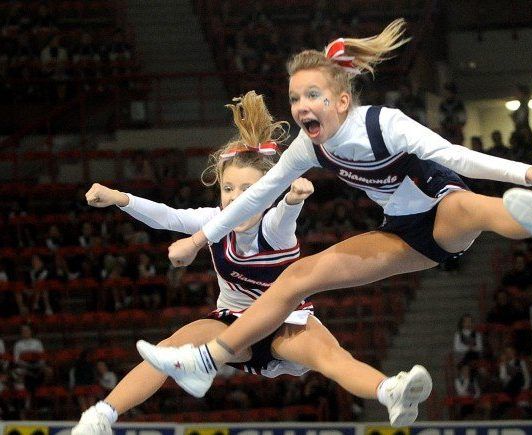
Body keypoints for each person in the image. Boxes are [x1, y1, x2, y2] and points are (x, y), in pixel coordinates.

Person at [138, 18, 532, 414]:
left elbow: (452, 154)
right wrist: (197, 241)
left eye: (313, 95)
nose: (301, 105)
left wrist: (529, 173)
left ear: (342, 101)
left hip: (441, 206)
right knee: (297, 277)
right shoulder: (309, 146)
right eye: (294, 98)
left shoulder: (384, 125)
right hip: (401, 234)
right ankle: (206, 361)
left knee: (473, 208)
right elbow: (255, 199)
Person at [73, 91, 429, 434]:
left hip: (285, 324)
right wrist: (119, 198)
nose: (235, 199)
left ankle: (390, 392)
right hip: (231, 326)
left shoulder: (272, 228)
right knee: (169, 350)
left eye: (247, 191)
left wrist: (293, 199)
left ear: (266, 192)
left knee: (332, 357)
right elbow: (166, 216)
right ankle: (101, 415)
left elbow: (285, 218)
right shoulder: (212, 220)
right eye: (228, 189)